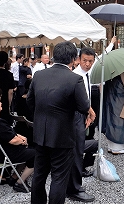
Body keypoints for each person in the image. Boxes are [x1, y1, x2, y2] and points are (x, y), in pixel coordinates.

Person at [27, 41, 93, 204]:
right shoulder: (74, 79)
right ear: (73, 59)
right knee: (59, 177)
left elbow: (30, 101)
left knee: (39, 175)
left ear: (54, 57)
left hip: (40, 133)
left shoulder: (39, 75)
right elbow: (84, 106)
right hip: (63, 135)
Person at [0, 92, 34, 193]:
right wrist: (22, 140)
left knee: (30, 151)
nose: (1, 103)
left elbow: (8, 134)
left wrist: (19, 137)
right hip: (6, 154)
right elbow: (13, 140)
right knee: (38, 155)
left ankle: (14, 177)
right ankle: (20, 183)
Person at [102, 69, 124, 154]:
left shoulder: (109, 73)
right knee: (119, 122)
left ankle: (110, 146)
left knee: (110, 120)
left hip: (110, 100)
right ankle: (117, 148)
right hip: (120, 102)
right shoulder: (123, 72)